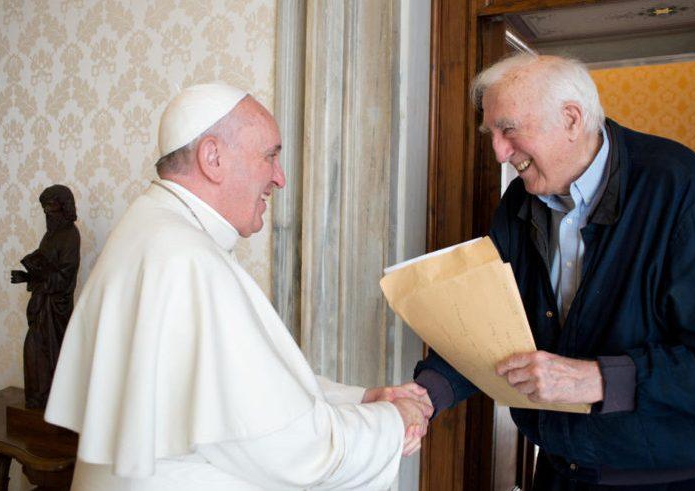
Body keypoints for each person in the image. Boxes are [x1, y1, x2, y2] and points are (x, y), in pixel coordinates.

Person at [45, 83, 432, 490]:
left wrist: (361, 399)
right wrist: (393, 421)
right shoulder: (186, 260)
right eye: (270, 156)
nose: (280, 178)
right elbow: (296, 451)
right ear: (213, 157)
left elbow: (249, 394)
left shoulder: (151, 229)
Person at [414, 54, 695, 489]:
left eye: (509, 129)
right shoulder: (518, 201)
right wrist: (425, 395)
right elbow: (488, 324)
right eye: (493, 135)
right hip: (560, 470)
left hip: (673, 479)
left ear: (570, 119)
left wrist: (597, 379)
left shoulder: (682, 187)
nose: (499, 153)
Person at [10, 184, 80, 409]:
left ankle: (53, 401)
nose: (47, 213)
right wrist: (27, 276)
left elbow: (65, 277)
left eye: (51, 208)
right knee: (33, 349)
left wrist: (40, 273)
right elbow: (44, 266)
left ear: (64, 207)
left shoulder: (70, 235)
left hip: (57, 308)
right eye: (44, 209)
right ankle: (37, 398)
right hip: (42, 305)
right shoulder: (50, 236)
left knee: (51, 352)